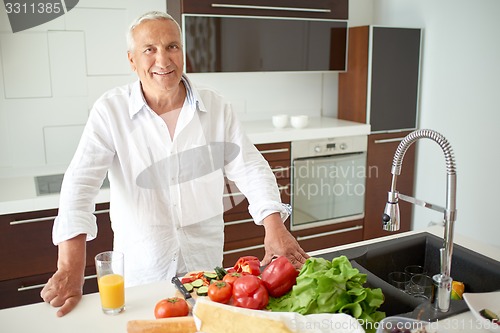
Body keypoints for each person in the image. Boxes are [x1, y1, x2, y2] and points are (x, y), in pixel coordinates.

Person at [40, 11, 309, 317]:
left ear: (183, 51)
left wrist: (274, 226)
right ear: (131, 60)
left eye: (172, 47)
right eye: (149, 50)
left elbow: (250, 167)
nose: (163, 60)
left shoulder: (216, 107)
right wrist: (70, 267)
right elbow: (80, 184)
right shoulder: (110, 111)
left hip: (205, 272)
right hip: (143, 274)